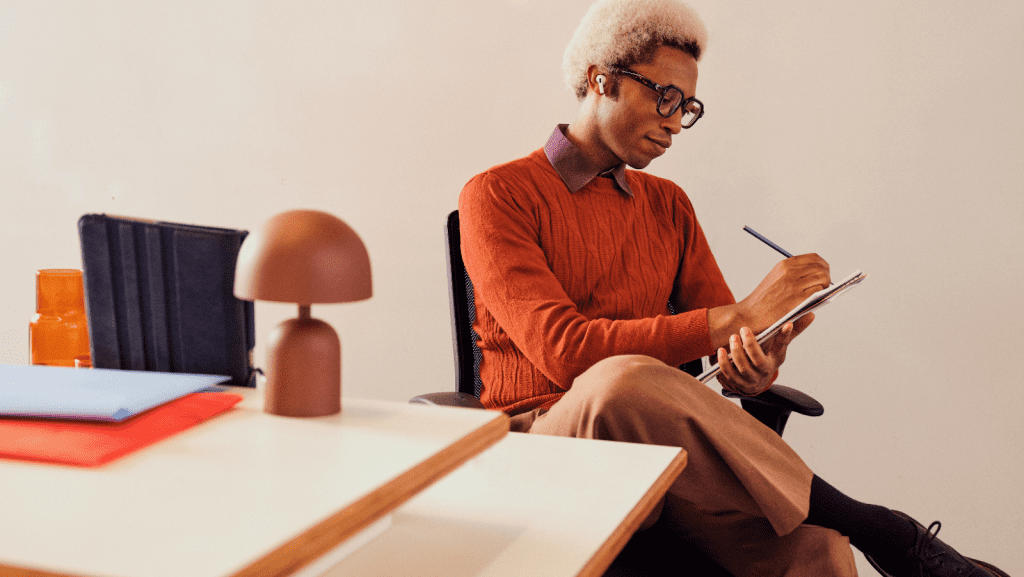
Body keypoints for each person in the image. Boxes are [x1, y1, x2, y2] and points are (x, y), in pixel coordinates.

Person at [457, 1, 1009, 576]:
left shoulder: (668, 205)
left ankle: (860, 531)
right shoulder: (498, 195)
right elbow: (564, 351)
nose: (675, 121)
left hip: (662, 461)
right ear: (603, 80)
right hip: (547, 447)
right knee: (623, 378)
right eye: (664, 97)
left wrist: (760, 355)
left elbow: (726, 334)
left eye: (687, 107)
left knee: (814, 546)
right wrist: (737, 318)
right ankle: (886, 529)